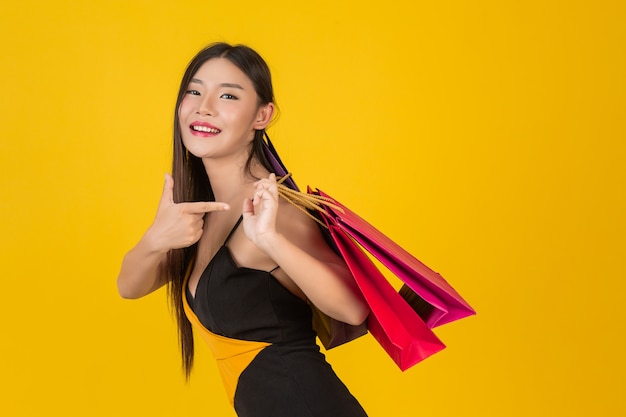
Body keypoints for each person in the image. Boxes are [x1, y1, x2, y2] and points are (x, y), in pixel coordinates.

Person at [117, 42, 369, 416]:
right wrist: (156, 239)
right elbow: (129, 286)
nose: (204, 107)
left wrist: (270, 239)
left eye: (229, 95)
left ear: (261, 116)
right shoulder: (199, 212)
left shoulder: (273, 210)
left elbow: (353, 309)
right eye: (194, 91)